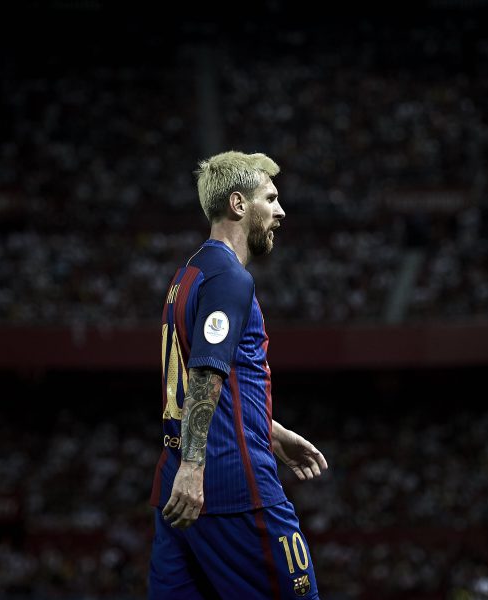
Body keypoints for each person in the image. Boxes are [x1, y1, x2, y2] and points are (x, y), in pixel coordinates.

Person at [148, 150, 328, 599]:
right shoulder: (230, 278)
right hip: (233, 491)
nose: (281, 211)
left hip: (178, 494)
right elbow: (207, 372)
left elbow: (201, 378)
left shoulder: (188, 274)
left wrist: (265, 428)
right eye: (271, 198)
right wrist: (195, 467)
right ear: (238, 204)